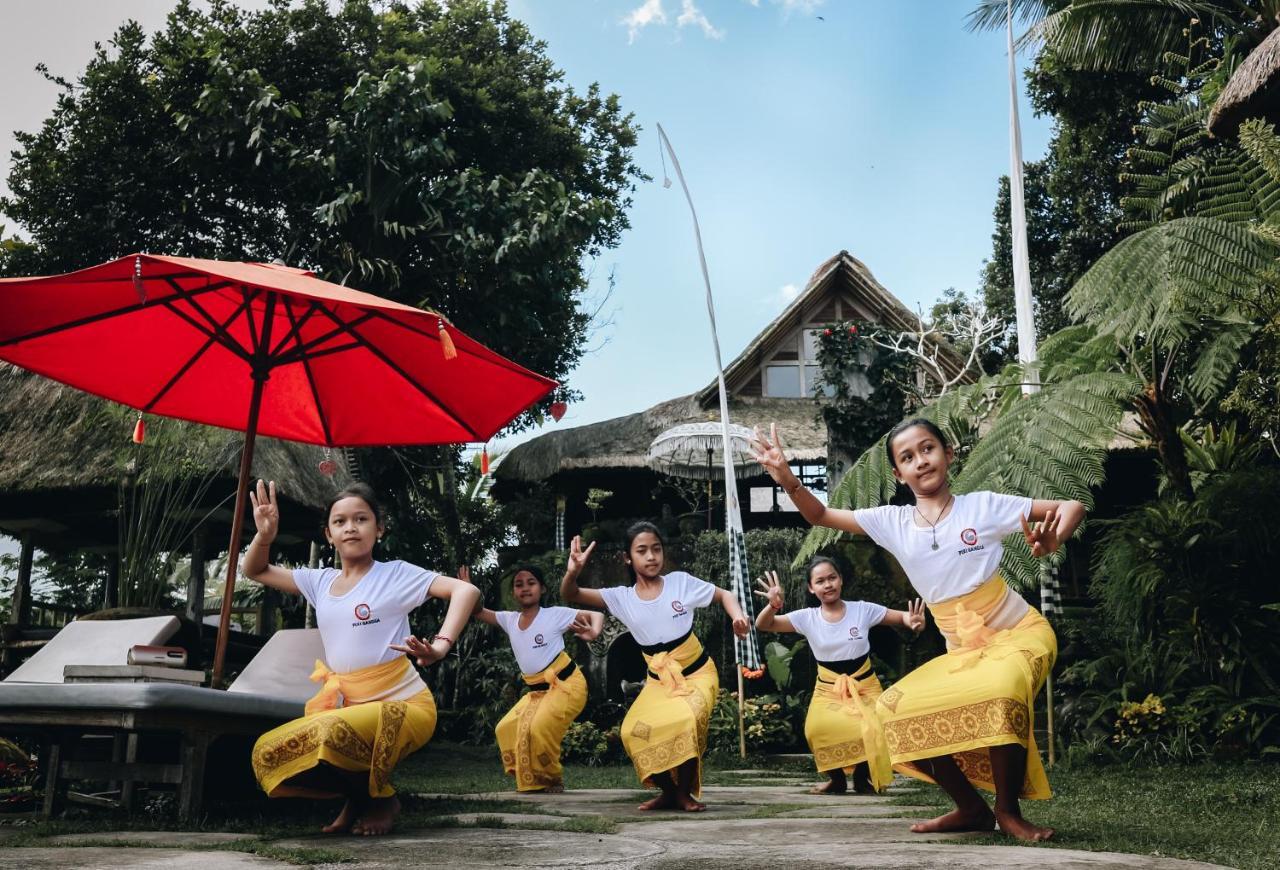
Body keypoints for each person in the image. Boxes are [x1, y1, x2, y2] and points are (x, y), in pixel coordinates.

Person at [751, 420, 1084, 841]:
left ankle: (1008, 811)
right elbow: (819, 514)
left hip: (1020, 633)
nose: (920, 461)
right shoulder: (893, 521)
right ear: (898, 474)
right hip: (963, 653)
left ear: (947, 453)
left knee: (1002, 689)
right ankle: (970, 808)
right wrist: (786, 478)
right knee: (891, 713)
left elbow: (1070, 506)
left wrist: (1054, 538)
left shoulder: (982, 506)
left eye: (927, 449)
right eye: (907, 457)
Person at [244, 480, 479, 836]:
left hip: (405, 704)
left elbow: (466, 590)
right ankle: (359, 798)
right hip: (348, 705)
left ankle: (381, 800)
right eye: (340, 522)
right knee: (268, 750)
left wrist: (440, 645)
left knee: (330, 731)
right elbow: (255, 570)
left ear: (379, 529)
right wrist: (264, 535)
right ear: (329, 534)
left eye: (361, 519)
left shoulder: (396, 574)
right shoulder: (319, 581)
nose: (350, 527)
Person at [560, 522, 750, 812]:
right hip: (659, 681)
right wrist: (573, 572)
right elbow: (571, 594)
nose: (651, 557)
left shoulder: (679, 583)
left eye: (656, 549)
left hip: (697, 674)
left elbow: (724, 595)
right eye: (642, 551)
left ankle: (685, 793)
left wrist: (738, 617)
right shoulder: (621, 598)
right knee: (633, 731)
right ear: (628, 558)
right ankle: (669, 792)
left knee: (687, 720)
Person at [754, 559, 925, 795]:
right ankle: (836, 780)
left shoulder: (862, 609)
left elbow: (901, 617)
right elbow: (764, 624)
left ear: (841, 580)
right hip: (828, 687)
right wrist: (773, 605)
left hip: (865, 684)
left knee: (876, 726)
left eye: (832, 578)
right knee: (816, 728)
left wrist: (912, 621)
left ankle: (862, 777)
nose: (828, 585)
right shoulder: (807, 617)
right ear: (811, 588)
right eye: (820, 581)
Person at [473, 564, 604, 793]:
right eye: (519, 584)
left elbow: (596, 614)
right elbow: (477, 611)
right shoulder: (509, 620)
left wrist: (593, 632)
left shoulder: (554, 614)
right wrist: (469, 590)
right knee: (505, 728)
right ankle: (529, 774)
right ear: (513, 592)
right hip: (537, 692)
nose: (525, 588)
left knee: (539, 727)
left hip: (567, 685)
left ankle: (552, 779)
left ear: (542, 588)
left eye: (531, 583)